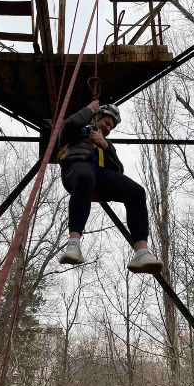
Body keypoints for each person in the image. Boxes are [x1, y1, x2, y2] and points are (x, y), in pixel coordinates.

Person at [56, 100, 164, 274]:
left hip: (99, 179)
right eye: (106, 122)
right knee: (86, 175)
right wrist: (90, 109)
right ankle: (73, 244)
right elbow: (71, 122)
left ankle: (141, 252)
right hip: (76, 171)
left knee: (136, 192)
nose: (108, 128)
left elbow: (118, 170)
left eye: (111, 127)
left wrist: (105, 146)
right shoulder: (73, 133)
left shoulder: (106, 144)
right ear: (96, 117)